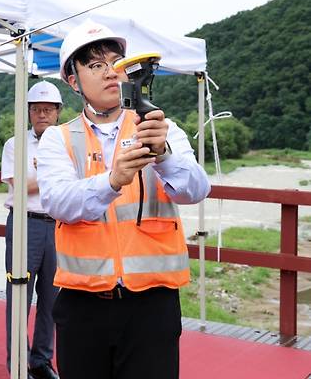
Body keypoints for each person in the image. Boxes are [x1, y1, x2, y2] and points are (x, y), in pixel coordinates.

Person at [36, 20, 211, 379]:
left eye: (116, 62)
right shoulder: (58, 138)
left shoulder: (160, 127)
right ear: (73, 80)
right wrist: (113, 180)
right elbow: (57, 202)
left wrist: (164, 155)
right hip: (82, 303)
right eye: (95, 65)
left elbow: (196, 190)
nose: (109, 72)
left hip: (152, 303)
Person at [2, 81, 61, 379]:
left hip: (58, 225)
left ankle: (41, 361)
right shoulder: (16, 144)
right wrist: (54, 175)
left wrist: (44, 176)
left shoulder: (66, 142)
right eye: (37, 109)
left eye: (48, 109)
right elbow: (21, 186)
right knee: (19, 296)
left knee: (52, 297)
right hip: (26, 223)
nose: (42, 114)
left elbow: (75, 182)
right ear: (28, 112)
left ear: (58, 112)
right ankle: (17, 362)